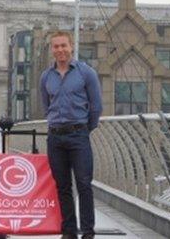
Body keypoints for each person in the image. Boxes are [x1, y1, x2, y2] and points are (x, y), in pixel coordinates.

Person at [39, 31, 102, 239]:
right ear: (52, 50)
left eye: (63, 45)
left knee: (84, 184)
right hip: (55, 137)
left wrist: (84, 128)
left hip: (78, 136)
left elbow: (96, 107)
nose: (60, 50)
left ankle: (88, 232)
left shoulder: (86, 73)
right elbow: (46, 105)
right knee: (63, 186)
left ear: (71, 46)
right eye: (56, 46)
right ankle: (69, 231)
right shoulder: (46, 77)